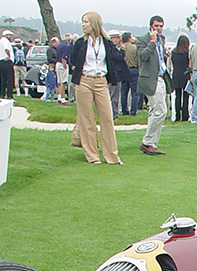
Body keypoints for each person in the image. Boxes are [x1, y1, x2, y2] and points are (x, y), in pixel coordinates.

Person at [70, 11, 124, 165]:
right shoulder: (80, 43)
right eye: (82, 22)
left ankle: (112, 155)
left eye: (86, 21)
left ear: (94, 23)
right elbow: (74, 59)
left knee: (107, 118)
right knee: (87, 119)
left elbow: (115, 59)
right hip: (84, 81)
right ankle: (92, 155)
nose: (83, 24)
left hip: (101, 81)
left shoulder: (106, 42)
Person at [137, 15, 169, 155]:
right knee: (161, 111)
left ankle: (152, 143)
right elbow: (143, 56)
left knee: (155, 111)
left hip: (161, 77)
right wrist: (151, 42)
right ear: (151, 26)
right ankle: (147, 142)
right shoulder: (143, 40)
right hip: (150, 79)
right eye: (156, 26)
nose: (159, 28)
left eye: (161, 26)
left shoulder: (161, 41)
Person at [171, 34, 191, 122]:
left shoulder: (173, 52)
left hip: (176, 75)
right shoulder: (187, 53)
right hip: (185, 75)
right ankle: (185, 115)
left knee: (177, 96)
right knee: (185, 97)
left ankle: (177, 116)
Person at [0, 29, 15, 98]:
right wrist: (9, 56)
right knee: (10, 79)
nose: (10, 36)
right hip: (7, 61)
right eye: (9, 35)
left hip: (1, 62)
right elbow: (6, 49)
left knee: (2, 80)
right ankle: (9, 95)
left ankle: (2, 94)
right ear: (6, 35)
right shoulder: (6, 41)